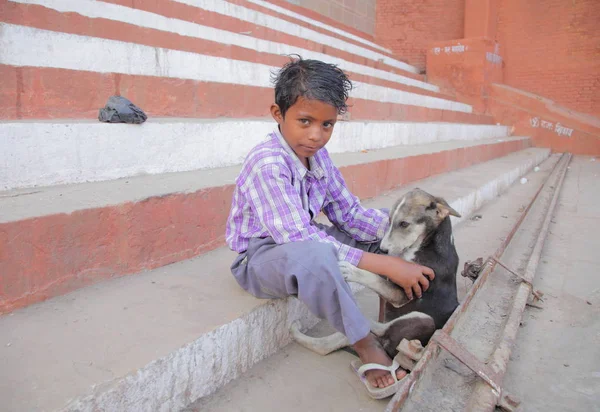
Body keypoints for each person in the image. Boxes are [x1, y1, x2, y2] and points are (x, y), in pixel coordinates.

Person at [225, 56, 434, 392]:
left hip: (305, 240)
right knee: (319, 257)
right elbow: (297, 237)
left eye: (327, 125)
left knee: (393, 225)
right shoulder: (267, 162)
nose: (316, 135)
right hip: (261, 256)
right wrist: (384, 263)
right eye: (305, 121)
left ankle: (402, 316)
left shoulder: (316, 155)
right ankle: (366, 343)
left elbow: (349, 214)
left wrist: (404, 233)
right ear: (278, 114)